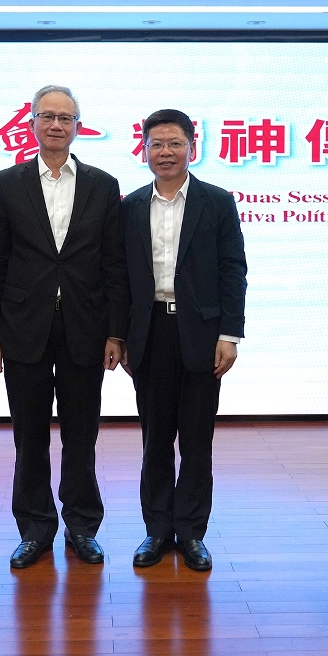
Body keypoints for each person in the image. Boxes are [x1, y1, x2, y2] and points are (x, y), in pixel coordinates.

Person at [0, 85, 129, 569]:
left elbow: (114, 265)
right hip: (23, 327)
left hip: (86, 329)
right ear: (31, 124)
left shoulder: (103, 186)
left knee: (81, 433)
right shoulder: (8, 183)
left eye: (66, 118)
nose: (56, 125)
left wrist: (115, 332)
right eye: (47, 116)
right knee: (28, 435)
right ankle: (35, 528)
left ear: (77, 126)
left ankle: (82, 525)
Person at [121, 109, 247, 572]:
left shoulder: (216, 202)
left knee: (196, 438)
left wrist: (229, 334)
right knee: (155, 437)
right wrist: (120, 335)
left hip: (202, 333)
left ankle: (191, 532)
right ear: (145, 150)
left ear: (192, 148)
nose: (165, 152)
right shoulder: (130, 206)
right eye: (156, 144)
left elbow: (234, 270)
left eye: (174, 143)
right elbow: (119, 279)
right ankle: (157, 530)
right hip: (149, 333)